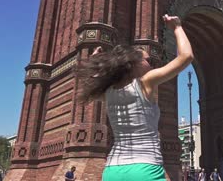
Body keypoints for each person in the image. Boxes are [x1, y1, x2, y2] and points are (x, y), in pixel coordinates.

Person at [78, 14, 193, 181]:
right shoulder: (146, 82)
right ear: (133, 63)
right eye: (147, 60)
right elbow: (186, 56)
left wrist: (94, 60)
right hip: (145, 169)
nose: (151, 63)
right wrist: (177, 27)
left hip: (112, 171)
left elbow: (89, 82)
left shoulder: (108, 92)